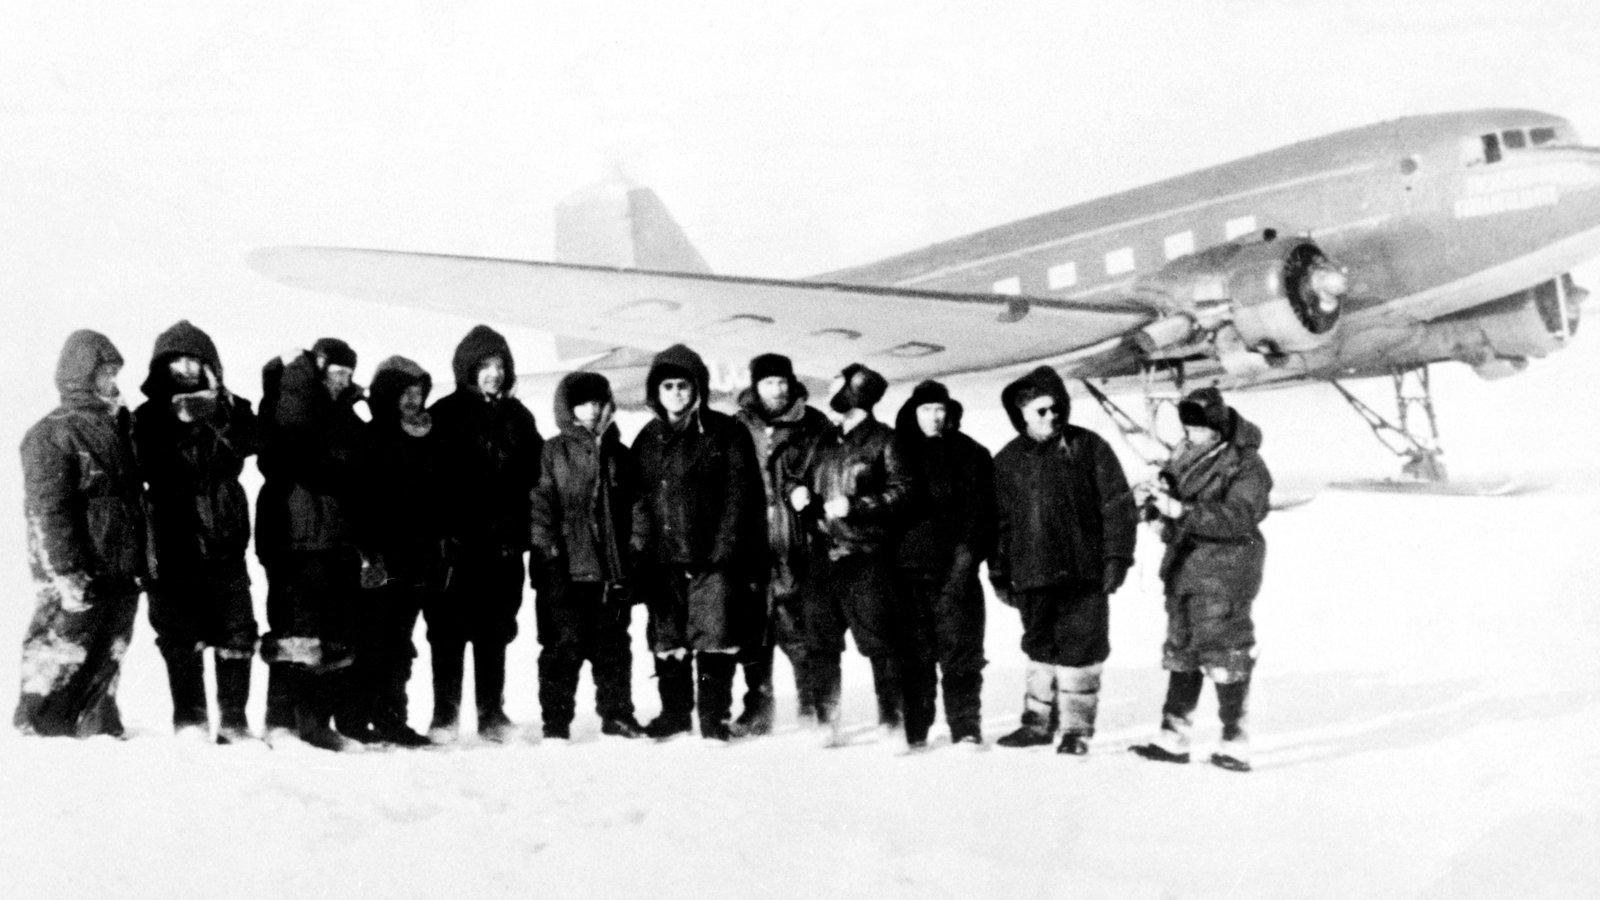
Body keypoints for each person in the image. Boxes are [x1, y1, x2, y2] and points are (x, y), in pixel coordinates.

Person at [990, 365, 1137, 755]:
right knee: (1039, 648)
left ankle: (1076, 730)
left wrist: (1117, 557)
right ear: (1021, 414)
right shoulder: (1006, 461)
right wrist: (999, 572)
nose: (1052, 416)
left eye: (1056, 408)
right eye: (1041, 411)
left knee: (1081, 649)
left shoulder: (1089, 447)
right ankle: (1037, 724)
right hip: (1032, 575)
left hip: (1082, 573)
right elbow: (999, 525)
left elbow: (1118, 505)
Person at [1131, 386, 1271, 774]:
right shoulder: (1188, 452)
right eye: (1186, 427)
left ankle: (1235, 743)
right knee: (1183, 651)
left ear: (1215, 429)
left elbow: (1240, 517)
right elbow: (1178, 493)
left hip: (1224, 571)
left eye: (1194, 428)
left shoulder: (1247, 465)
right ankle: (1173, 738)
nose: (1187, 433)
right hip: (1185, 568)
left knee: (1226, 653)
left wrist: (1180, 509)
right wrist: (1156, 504)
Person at [133, 321, 260, 744]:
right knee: (178, 632)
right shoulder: (147, 416)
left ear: (209, 363)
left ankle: (234, 721)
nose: (184, 368)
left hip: (225, 538)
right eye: (175, 361)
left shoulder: (232, 407)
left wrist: (214, 413)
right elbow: (143, 466)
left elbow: (252, 441)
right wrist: (177, 420)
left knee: (237, 630)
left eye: (193, 359)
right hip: (172, 539)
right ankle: (189, 719)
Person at [630, 344, 765, 741]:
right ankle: (674, 714)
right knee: (668, 639)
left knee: (715, 639)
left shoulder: (724, 432)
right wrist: (641, 552)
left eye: (683, 385)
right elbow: (639, 503)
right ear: (656, 392)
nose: (676, 393)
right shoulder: (648, 439)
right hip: (664, 561)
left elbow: (741, 495)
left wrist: (724, 549)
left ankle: (712, 717)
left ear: (697, 388)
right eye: (667, 386)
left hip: (714, 559)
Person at [16, 330, 147, 738]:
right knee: (64, 644)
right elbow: (48, 510)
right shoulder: (51, 432)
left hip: (120, 559)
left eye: (113, 373)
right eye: (103, 373)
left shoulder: (120, 424)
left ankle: (96, 718)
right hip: (77, 560)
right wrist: (66, 569)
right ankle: (41, 723)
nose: (111, 381)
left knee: (111, 645)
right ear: (79, 375)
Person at [427, 325, 543, 744]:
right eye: (484, 366)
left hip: (501, 546)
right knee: (448, 631)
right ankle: (445, 714)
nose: (493, 373)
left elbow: (534, 478)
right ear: (467, 370)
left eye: (499, 366)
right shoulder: (443, 414)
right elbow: (429, 482)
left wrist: (521, 534)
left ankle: (491, 712)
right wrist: (442, 533)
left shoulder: (519, 417)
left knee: (495, 629)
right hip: (455, 547)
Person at [256, 338, 371, 752]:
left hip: (335, 540)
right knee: (294, 631)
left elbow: (360, 476)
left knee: (332, 633)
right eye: (335, 373)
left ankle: (315, 722)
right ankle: (281, 722)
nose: (342, 382)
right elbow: (290, 454)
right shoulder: (289, 408)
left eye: (347, 375)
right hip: (296, 539)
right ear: (318, 373)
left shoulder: (344, 417)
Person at [795, 363, 910, 745]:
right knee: (820, 643)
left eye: (837, 384)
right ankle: (827, 721)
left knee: (881, 644)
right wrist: (797, 494)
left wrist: (858, 505)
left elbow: (903, 492)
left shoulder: (885, 440)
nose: (830, 390)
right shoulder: (824, 438)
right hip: (822, 555)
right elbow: (801, 477)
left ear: (856, 392)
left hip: (866, 557)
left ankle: (891, 722)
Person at [530, 372, 644, 740]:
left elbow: (637, 506)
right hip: (566, 570)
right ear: (569, 408)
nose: (592, 411)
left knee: (613, 647)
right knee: (563, 648)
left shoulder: (620, 454)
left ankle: (617, 716)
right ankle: (556, 724)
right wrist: (549, 555)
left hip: (611, 571)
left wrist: (636, 547)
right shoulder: (553, 451)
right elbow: (541, 504)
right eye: (583, 403)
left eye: (598, 403)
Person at [730, 353, 830, 736]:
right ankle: (759, 707)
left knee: (799, 630)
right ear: (756, 386)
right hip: (751, 544)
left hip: (798, 541)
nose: (778, 389)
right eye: (769, 382)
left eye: (783, 381)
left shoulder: (814, 424)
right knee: (753, 632)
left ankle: (811, 704)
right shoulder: (738, 426)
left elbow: (827, 472)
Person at [892, 380, 995, 749]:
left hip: (955, 572)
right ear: (912, 412)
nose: (934, 417)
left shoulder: (971, 454)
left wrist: (964, 565)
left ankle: (965, 727)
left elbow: (980, 516)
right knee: (915, 657)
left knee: (962, 655)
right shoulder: (896, 450)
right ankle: (916, 728)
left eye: (940, 409)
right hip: (907, 574)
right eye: (926, 410)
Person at [352, 355, 441, 747]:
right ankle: (361, 715)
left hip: (418, 556)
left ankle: (391, 715)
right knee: (375, 638)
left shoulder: (428, 436)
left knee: (401, 639)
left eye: (418, 392)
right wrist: (370, 552)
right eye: (405, 392)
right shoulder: (372, 438)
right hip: (382, 557)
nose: (413, 399)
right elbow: (361, 503)